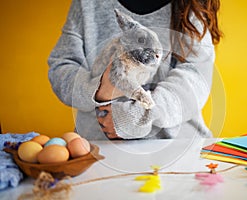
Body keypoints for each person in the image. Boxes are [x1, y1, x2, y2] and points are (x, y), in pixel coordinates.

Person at [48, 0, 222, 140]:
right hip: (99, 147)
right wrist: (100, 90)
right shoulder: (87, 4)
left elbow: (197, 77)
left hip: (174, 145)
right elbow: (62, 65)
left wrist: (138, 116)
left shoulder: (190, 6)